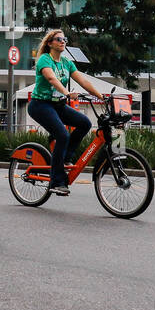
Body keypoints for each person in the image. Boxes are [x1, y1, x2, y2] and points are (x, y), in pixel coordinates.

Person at [26, 29, 107, 195]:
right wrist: (66, 92)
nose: (62, 41)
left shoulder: (66, 63)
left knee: (84, 123)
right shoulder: (44, 59)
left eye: (64, 39)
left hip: (58, 105)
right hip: (40, 105)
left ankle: (66, 157)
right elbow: (51, 78)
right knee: (62, 134)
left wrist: (102, 97)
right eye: (58, 39)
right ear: (50, 43)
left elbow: (83, 80)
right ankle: (57, 181)